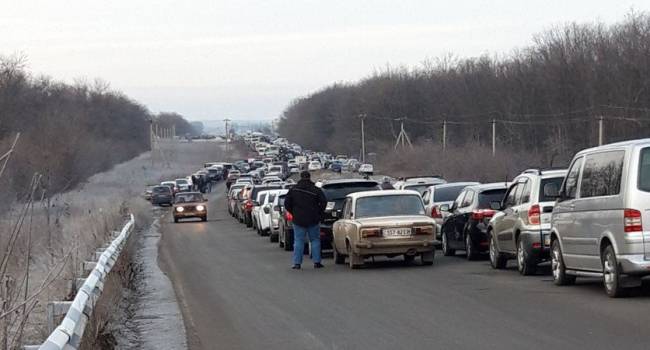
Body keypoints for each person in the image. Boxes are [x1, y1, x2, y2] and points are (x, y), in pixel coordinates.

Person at [284, 171, 327, 269]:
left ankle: (297, 263)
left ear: (300, 177)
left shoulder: (293, 190)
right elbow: (323, 202)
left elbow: (287, 204)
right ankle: (317, 262)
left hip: (298, 219)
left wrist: (294, 212)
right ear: (309, 177)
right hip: (313, 219)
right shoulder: (316, 190)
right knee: (315, 240)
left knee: (298, 241)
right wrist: (319, 213)